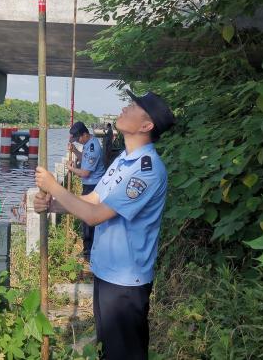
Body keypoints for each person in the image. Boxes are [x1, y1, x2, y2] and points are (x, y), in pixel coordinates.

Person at [34, 90, 175, 360]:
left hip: (125, 282)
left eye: (134, 107)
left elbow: (95, 215)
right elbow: (92, 199)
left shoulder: (147, 170)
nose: (125, 108)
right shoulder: (123, 160)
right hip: (106, 270)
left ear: (146, 126)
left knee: (124, 354)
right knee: (108, 351)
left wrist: (54, 186)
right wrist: (54, 204)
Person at [67, 121, 106, 260]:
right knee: (87, 218)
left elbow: (85, 173)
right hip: (89, 184)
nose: (78, 141)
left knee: (88, 218)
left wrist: (71, 169)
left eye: (78, 138)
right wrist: (75, 151)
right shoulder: (88, 144)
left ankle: (89, 251)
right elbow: (83, 159)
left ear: (84, 134)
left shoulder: (93, 148)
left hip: (93, 186)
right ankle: (89, 249)